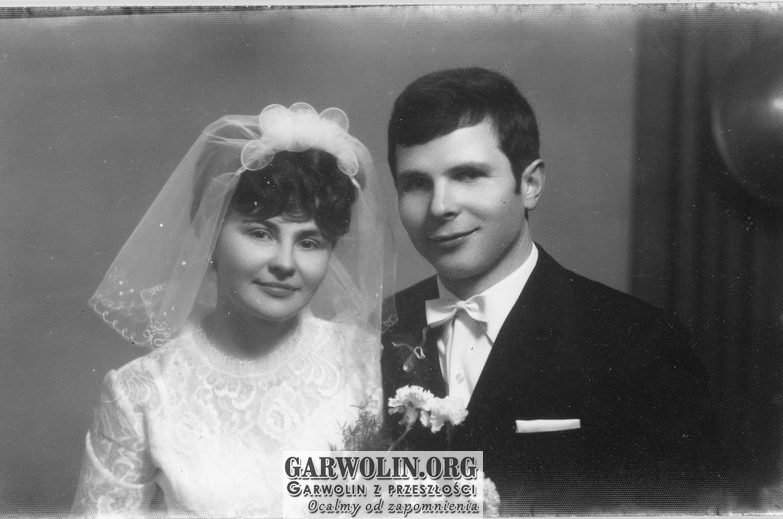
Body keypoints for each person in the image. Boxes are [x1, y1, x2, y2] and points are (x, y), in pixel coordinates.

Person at [381, 67, 717, 514]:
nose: (440, 206)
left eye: (468, 175)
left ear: (530, 185)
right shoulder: (372, 332)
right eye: (416, 183)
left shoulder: (641, 342)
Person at [72, 103, 390, 517]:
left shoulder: (368, 365)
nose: (285, 263)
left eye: (309, 242)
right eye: (260, 233)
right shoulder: (140, 392)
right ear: (211, 234)